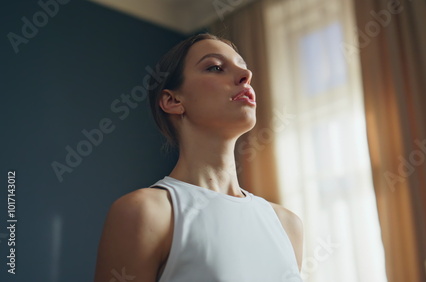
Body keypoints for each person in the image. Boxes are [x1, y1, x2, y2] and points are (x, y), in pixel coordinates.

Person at [94, 33, 303, 282]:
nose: (246, 76)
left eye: (244, 67)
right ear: (172, 100)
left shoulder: (287, 224)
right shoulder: (145, 213)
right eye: (215, 67)